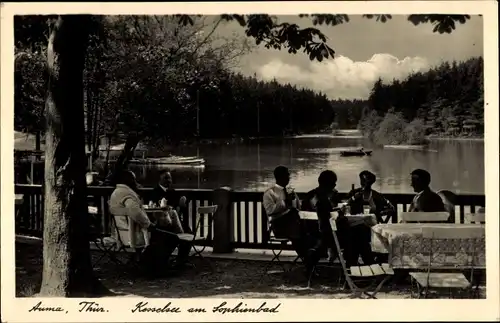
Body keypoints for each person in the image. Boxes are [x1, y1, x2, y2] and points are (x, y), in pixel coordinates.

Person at [108, 170, 190, 277]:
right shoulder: (127, 194)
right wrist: (148, 224)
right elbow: (136, 212)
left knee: (166, 233)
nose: (135, 181)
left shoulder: (116, 193)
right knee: (170, 236)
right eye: (133, 179)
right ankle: (160, 267)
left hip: (123, 231)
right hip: (134, 233)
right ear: (127, 180)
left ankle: (158, 264)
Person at [301, 170, 345, 272]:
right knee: (354, 235)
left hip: (310, 232)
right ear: (330, 184)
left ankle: (315, 254)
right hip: (323, 233)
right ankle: (349, 267)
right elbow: (331, 213)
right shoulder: (323, 198)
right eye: (333, 182)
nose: (335, 184)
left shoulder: (310, 195)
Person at [263, 166, 309, 259]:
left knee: (303, 231)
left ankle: (308, 257)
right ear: (280, 177)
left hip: (294, 225)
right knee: (299, 232)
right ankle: (308, 258)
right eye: (287, 175)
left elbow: (298, 208)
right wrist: (285, 202)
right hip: (279, 226)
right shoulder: (269, 193)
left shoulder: (290, 191)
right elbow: (270, 211)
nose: (289, 177)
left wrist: (295, 203)